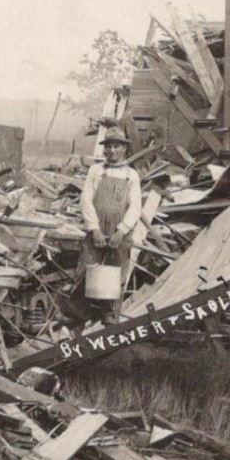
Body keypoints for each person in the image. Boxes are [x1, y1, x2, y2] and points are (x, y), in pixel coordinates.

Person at [77, 127, 143, 323]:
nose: (113, 150)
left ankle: (110, 316)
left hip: (119, 234)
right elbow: (86, 200)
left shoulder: (131, 175)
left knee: (116, 275)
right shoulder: (95, 171)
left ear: (124, 148)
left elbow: (135, 207)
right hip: (97, 229)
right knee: (84, 270)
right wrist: (94, 229)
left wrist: (121, 232)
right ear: (104, 149)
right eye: (109, 146)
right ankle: (78, 315)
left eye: (117, 146)